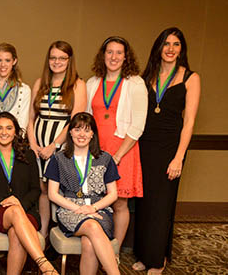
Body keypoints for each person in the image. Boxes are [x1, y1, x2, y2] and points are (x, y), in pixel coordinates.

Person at [133, 27, 201, 274]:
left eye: (176, 44)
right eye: (166, 44)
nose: (171, 49)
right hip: (144, 145)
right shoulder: (147, 76)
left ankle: (157, 260)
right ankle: (144, 253)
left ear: (182, 49)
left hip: (171, 148)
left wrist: (179, 157)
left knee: (162, 204)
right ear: (159, 48)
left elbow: (189, 122)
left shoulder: (190, 78)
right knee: (144, 202)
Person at [0, 112, 57, 275]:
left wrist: (20, 204)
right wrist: (5, 201)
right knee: (14, 211)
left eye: (9, 128)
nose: (4, 132)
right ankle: (44, 264)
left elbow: (35, 189)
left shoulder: (28, 155)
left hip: (26, 211)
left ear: (16, 132)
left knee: (16, 234)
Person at [85, 36, 146, 247]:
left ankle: (115, 249)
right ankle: (96, 245)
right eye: (109, 52)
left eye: (119, 52)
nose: (114, 57)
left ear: (126, 57)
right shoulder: (92, 83)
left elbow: (138, 125)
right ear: (103, 55)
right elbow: (85, 118)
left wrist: (117, 155)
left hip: (123, 151)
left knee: (120, 202)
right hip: (95, 151)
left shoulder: (135, 83)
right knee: (94, 199)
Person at [46, 112, 120, 275]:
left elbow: (113, 194)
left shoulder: (105, 158)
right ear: (70, 132)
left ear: (93, 134)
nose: (82, 134)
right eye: (77, 129)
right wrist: (78, 209)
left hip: (100, 210)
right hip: (70, 210)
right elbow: (52, 194)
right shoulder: (58, 159)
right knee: (92, 227)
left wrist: (92, 208)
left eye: (87, 130)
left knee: (89, 243)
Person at [26, 41, 87, 238]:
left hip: (62, 146)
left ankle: (63, 231)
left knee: (61, 191)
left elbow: (75, 120)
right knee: (43, 190)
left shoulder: (78, 85)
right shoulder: (39, 83)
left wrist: (55, 146)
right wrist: (33, 144)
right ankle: (43, 233)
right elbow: (30, 118)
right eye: (53, 58)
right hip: (38, 145)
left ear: (69, 61)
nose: (57, 62)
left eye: (62, 58)